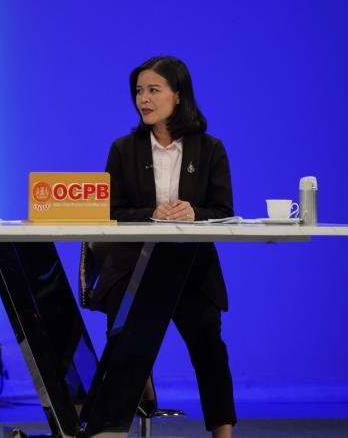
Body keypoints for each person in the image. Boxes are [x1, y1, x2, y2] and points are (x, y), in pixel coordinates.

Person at [94, 56, 236, 437]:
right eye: (139, 91)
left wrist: (194, 213)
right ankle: (123, 410)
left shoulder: (210, 149)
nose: (143, 99)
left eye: (153, 90)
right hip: (134, 268)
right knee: (125, 341)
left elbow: (224, 211)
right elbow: (110, 211)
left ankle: (223, 432)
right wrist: (151, 214)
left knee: (209, 344)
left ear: (178, 95)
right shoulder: (123, 149)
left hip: (191, 268)